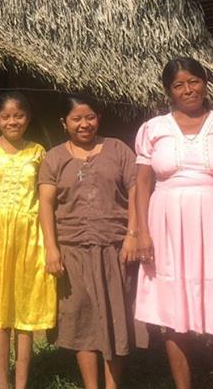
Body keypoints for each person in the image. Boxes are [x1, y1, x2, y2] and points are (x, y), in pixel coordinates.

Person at [133, 57, 213, 389]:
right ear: (168, 91)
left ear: (206, 82)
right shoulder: (153, 129)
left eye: (194, 81)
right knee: (173, 312)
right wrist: (142, 232)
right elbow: (142, 184)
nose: (188, 90)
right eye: (179, 85)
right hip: (167, 225)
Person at [38, 95, 147, 389]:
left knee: (117, 316)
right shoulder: (54, 158)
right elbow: (45, 205)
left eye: (90, 117)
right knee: (82, 317)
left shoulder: (118, 150)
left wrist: (132, 235)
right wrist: (51, 248)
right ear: (65, 123)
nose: (84, 124)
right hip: (73, 250)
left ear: (98, 118)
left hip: (115, 248)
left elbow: (136, 192)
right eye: (76, 119)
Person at [0, 91, 56, 389]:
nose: (12, 121)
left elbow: (46, 200)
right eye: (6, 116)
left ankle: (21, 384)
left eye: (18, 115)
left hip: (31, 239)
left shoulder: (38, 152)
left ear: (27, 118)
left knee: (25, 313)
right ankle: (3, 384)